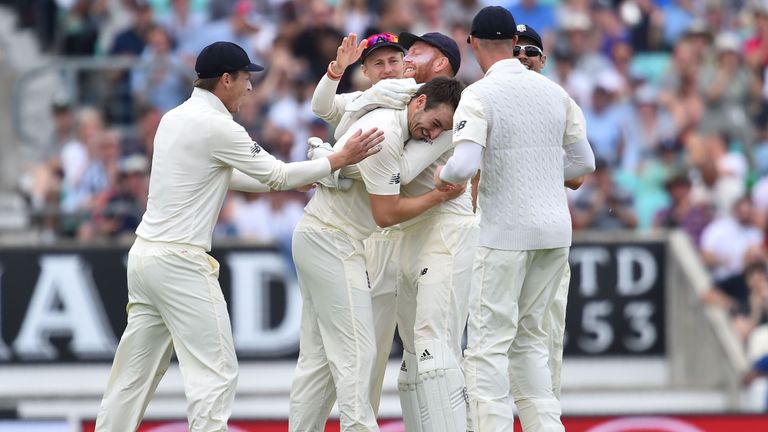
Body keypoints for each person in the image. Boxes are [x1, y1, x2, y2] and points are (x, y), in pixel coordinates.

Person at [94, 41, 384, 432]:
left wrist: (304, 178)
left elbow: (233, 176)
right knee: (216, 374)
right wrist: (337, 160)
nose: (250, 88)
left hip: (145, 259)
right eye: (246, 78)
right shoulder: (219, 127)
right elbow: (276, 173)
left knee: (131, 377)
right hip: (182, 263)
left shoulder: (173, 118)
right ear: (226, 80)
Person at [307, 30, 477, 431]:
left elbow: (396, 178)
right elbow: (326, 110)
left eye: (415, 51)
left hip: (437, 230)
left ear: (440, 64)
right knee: (385, 357)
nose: (405, 58)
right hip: (393, 236)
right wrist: (347, 80)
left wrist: (327, 164)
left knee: (433, 352)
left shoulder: (450, 112)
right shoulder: (396, 97)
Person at [435, 7, 595, 431]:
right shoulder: (555, 92)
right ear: (512, 43)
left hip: (504, 232)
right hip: (555, 234)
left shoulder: (479, 94)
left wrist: (442, 174)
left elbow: (464, 164)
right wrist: (540, 172)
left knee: (488, 345)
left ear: (472, 43)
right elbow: (584, 162)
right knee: (530, 344)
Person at [511, 22, 588, 403]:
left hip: (545, 234)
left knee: (544, 335)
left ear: (543, 60)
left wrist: (532, 168)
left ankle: (544, 416)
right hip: (496, 233)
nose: (523, 56)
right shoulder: (484, 97)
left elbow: (578, 175)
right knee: (487, 341)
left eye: (530, 51)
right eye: (516, 50)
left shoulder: (558, 100)